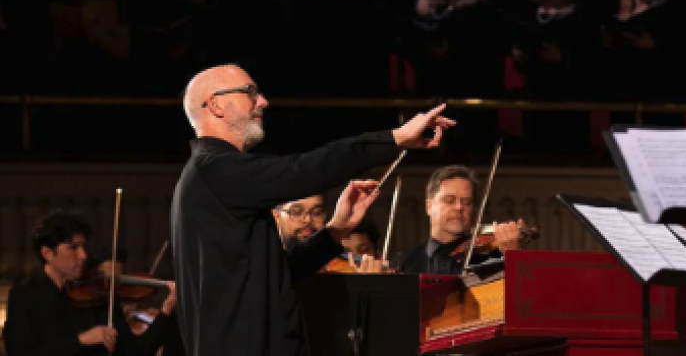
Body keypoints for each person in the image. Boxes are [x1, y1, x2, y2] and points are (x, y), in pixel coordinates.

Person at [171, 64, 455, 356]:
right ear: (216, 104)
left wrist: (335, 231)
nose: (263, 102)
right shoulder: (215, 169)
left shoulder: (213, 175)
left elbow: (278, 274)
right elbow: (303, 170)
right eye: (250, 92)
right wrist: (394, 138)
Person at [2, 210, 175, 356]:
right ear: (47, 253)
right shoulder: (24, 295)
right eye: (73, 247)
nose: (83, 255)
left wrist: (166, 310)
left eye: (83, 246)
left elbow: (135, 352)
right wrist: (82, 340)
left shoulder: (99, 293)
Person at [396, 165, 525, 275]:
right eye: (449, 200)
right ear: (429, 207)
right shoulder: (403, 264)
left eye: (466, 202)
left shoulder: (494, 259)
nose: (459, 207)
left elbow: (527, 298)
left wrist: (515, 258)